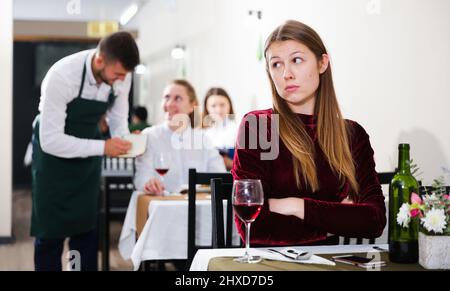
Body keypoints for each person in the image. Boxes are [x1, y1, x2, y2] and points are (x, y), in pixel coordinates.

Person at [232, 20, 386, 246]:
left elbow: (374, 221)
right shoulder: (258, 126)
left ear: (322, 63)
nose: (286, 74)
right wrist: (337, 220)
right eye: (276, 64)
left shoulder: (352, 134)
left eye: (296, 60)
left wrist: (294, 205)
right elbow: (253, 226)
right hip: (272, 265)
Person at [31, 31, 140, 271]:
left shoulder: (122, 76)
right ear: (100, 60)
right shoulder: (62, 76)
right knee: (50, 236)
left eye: (125, 76)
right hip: (52, 163)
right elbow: (50, 140)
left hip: (87, 160)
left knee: (85, 232)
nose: (120, 80)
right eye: (117, 74)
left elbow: (118, 121)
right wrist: (103, 147)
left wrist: (125, 141)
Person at [134, 80, 226, 195]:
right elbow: (141, 177)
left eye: (178, 98)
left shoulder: (203, 139)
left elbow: (219, 176)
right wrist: (148, 183)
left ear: (192, 106)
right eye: (166, 97)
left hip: (198, 207)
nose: (169, 104)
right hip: (162, 206)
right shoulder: (149, 136)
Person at [202, 87, 238, 170]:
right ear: (207, 108)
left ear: (229, 105)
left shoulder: (238, 129)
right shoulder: (202, 133)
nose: (218, 110)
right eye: (213, 106)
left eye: (222, 105)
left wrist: (231, 163)